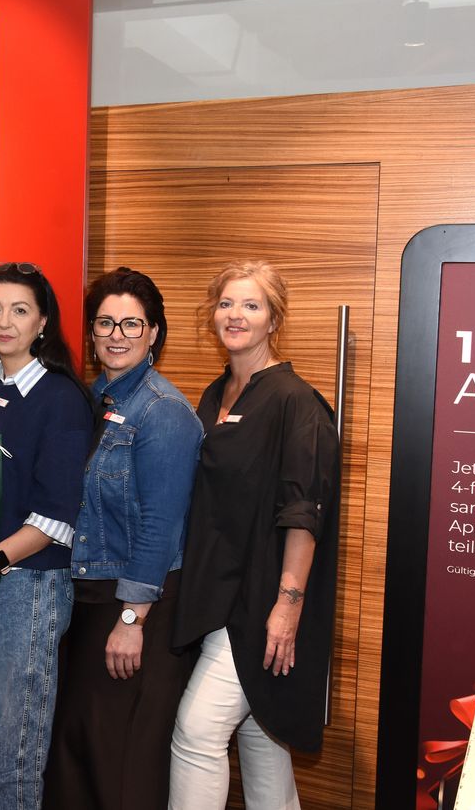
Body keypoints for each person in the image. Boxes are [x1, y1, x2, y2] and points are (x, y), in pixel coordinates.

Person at [168, 261, 340, 809]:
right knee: (260, 736)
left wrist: (287, 606)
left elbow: (302, 512)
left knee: (196, 733)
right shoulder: (216, 393)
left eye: (251, 305)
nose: (235, 315)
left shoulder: (294, 401)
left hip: (261, 603)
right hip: (216, 595)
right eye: (225, 304)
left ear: (273, 320)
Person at [43, 268, 203, 810]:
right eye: (105, 322)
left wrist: (132, 620)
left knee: (120, 760)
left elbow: (162, 527)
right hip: (87, 597)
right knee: (77, 748)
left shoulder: (164, 413)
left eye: (131, 324)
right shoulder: (90, 400)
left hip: (136, 606)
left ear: (154, 332)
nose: (117, 334)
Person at [0, 262, 93, 810]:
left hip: (26, 584)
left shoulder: (60, 399)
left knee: (15, 742)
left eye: (20, 310)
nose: (3, 321)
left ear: (43, 323)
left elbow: (61, 515)